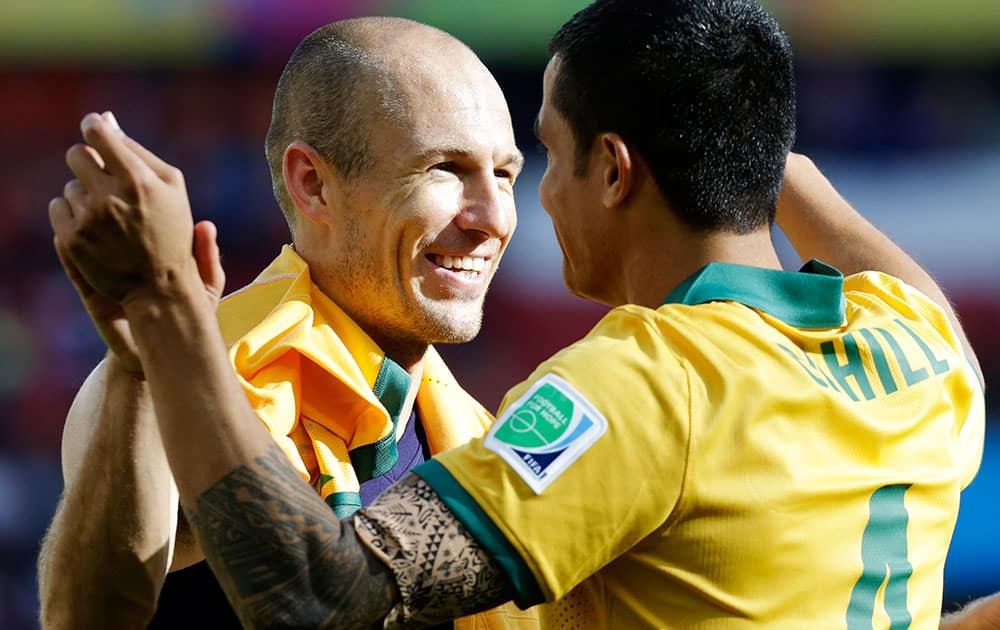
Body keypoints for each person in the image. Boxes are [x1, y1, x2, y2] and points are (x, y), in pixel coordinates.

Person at [46, 0, 992, 628]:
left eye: (521, 163)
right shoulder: (915, 351)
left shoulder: (623, 392)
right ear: (313, 182)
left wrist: (166, 317)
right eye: (446, 169)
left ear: (614, 171)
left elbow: (317, 597)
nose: (505, 212)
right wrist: (153, 354)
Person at [37, 17, 536, 629]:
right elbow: (89, 618)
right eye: (445, 168)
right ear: (314, 184)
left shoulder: (470, 429)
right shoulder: (202, 373)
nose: (493, 217)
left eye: (505, 174)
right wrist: (142, 366)